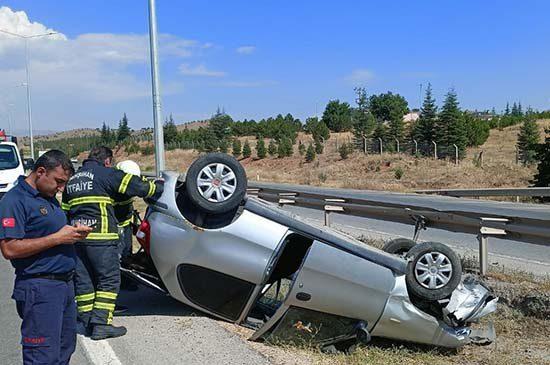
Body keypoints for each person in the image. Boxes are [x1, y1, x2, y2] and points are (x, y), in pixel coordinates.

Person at [0, 150, 92, 365]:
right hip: (39, 287)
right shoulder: (14, 200)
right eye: (58, 182)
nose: (61, 189)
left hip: (64, 286)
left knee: (64, 349)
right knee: (42, 356)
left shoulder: (48, 198)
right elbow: (9, 249)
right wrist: (58, 238)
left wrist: (73, 233)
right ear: (41, 172)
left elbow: (51, 232)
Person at [62, 146, 163, 340]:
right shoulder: (106, 174)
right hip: (101, 238)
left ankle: (87, 321)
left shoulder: (73, 181)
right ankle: (101, 324)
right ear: (107, 161)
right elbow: (139, 187)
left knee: (85, 282)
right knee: (109, 280)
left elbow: (65, 211)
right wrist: (157, 187)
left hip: (76, 240)